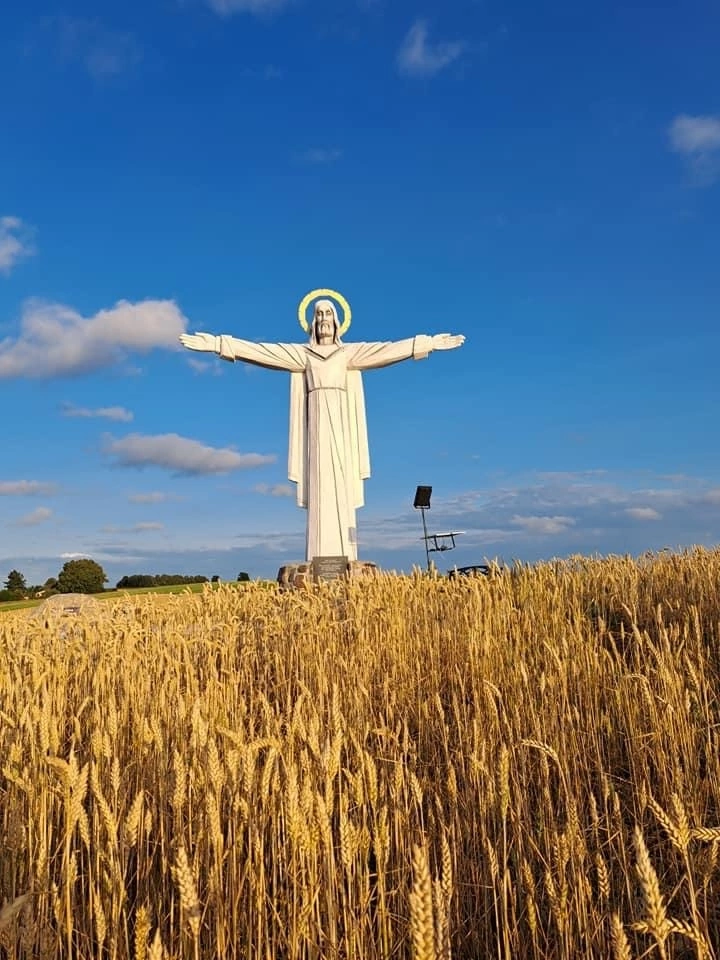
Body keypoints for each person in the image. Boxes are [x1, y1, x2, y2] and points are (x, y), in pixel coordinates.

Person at [179, 298, 464, 562]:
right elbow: (262, 352)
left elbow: (386, 350)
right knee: (320, 484)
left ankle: (344, 556)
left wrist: (427, 343)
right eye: (319, 314)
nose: (324, 318)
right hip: (315, 427)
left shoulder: (348, 353)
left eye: (329, 313)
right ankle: (321, 554)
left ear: (337, 320)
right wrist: (219, 344)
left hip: (340, 425)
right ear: (312, 322)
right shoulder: (303, 354)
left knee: (340, 481)